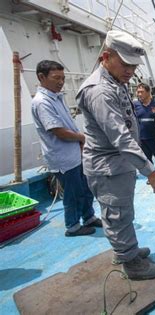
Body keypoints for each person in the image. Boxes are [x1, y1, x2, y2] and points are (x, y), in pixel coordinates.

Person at [76, 30, 155, 280]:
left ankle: (129, 249)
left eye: (134, 65)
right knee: (116, 214)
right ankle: (130, 263)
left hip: (119, 164)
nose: (130, 70)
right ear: (106, 56)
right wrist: (151, 172)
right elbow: (121, 138)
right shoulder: (100, 91)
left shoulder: (116, 81)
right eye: (125, 64)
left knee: (123, 212)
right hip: (107, 167)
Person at [31, 60, 102, 237]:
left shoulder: (56, 97)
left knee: (85, 189)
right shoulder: (42, 102)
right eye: (56, 78)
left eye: (63, 78)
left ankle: (89, 217)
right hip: (63, 158)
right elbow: (57, 131)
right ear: (41, 77)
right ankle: (72, 226)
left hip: (75, 155)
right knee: (72, 194)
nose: (61, 82)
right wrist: (82, 137)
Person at [134, 82, 155, 179]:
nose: (139, 94)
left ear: (148, 92)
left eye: (142, 92)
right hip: (142, 138)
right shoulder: (135, 104)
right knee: (147, 160)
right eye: (138, 92)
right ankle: (153, 177)